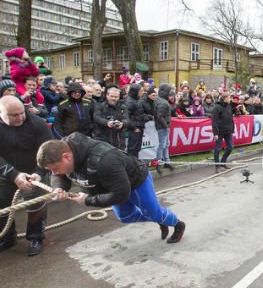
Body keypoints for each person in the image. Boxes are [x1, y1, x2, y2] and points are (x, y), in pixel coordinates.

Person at [36, 132, 186, 244]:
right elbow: (59, 176)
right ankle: (159, 218)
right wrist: (58, 187)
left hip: (135, 180)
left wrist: (88, 200)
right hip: (110, 185)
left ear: (67, 157)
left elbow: (121, 194)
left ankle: (177, 224)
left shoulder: (104, 159)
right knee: (126, 217)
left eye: (55, 168)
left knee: (152, 212)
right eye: (51, 170)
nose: (54, 172)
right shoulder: (60, 150)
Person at [0, 96, 54, 256]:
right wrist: (13, 174)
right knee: (2, 205)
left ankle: (36, 237)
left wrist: (38, 173)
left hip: (33, 170)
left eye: (22, 113)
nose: (20, 117)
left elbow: (48, 151)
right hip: (6, 171)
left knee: (36, 204)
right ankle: (8, 237)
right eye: (14, 115)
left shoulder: (37, 124)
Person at [93, 86, 129, 150]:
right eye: (111, 96)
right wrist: (107, 123)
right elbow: (96, 117)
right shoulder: (100, 106)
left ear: (119, 97)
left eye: (116, 97)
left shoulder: (123, 107)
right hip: (103, 138)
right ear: (107, 95)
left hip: (118, 139)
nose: (113, 98)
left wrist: (122, 124)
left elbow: (127, 119)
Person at [154, 84, 174, 174]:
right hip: (163, 127)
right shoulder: (163, 102)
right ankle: (159, 163)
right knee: (162, 145)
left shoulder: (159, 100)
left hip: (163, 126)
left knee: (166, 144)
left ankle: (167, 161)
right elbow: (159, 116)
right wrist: (165, 126)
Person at [211, 93, 234, 173]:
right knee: (217, 149)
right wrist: (215, 133)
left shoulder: (228, 106)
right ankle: (217, 166)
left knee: (230, 147)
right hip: (220, 131)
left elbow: (230, 118)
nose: (230, 99)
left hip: (228, 131)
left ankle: (223, 162)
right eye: (229, 98)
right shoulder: (217, 107)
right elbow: (214, 121)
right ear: (224, 98)